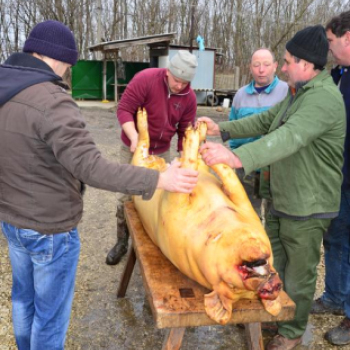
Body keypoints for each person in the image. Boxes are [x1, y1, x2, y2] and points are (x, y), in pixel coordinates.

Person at [0, 20, 198, 350]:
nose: (66, 72)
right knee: (50, 315)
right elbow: (92, 167)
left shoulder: (7, 88)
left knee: (23, 298)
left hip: (12, 219)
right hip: (49, 226)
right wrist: (160, 179)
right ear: (55, 57)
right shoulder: (52, 101)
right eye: (67, 65)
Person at [198, 25, 346, 350]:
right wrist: (221, 129)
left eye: (287, 61)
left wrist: (235, 157)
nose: (281, 67)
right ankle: (275, 314)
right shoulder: (300, 93)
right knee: (274, 265)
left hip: (307, 205)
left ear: (306, 64)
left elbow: (287, 137)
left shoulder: (322, 99)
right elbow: (267, 122)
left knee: (299, 274)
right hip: (283, 198)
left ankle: (291, 332)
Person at [106, 50, 198, 265]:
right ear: (168, 72)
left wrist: (185, 158)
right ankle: (121, 241)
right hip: (134, 146)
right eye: (176, 80)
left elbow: (185, 131)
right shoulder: (145, 79)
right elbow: (124, 109)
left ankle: (152, 239)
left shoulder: (189, 98)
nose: (179, 86)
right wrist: (135, 138)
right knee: (126, 196)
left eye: (185, 82)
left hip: (161, 151)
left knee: (156, 196)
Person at [309, 11, 350, 346]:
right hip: (339, 180)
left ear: (348, 37)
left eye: (332, 42)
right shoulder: (338, 74)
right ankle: (335, 296)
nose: (328, 48)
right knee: (335, 240)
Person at [228, 48, 288, 221]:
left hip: (276, 167)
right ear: (250, 67)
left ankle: (271, 245)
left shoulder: (287, 93)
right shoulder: (240, 95)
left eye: (266, 65)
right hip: (246, 165)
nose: (261, 70)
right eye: (256, 65)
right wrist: (237, 154)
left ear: (275, 66)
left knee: (276, 217)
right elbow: (233, 126)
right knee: (245, 214)